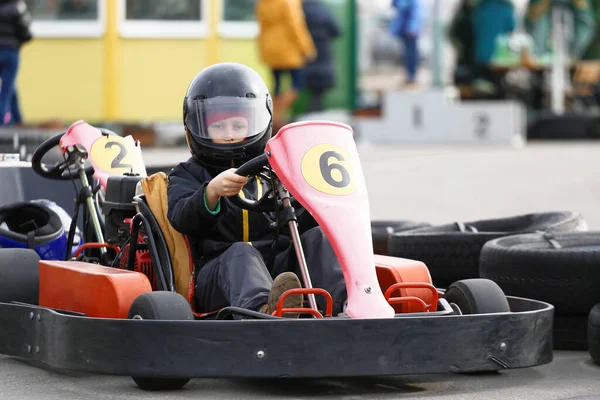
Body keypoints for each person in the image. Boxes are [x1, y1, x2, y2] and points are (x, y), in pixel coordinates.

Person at [167, 62, 347, 318]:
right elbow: (180, 217)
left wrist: (317, 204)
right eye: (218, 127)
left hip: (279, 273)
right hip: (218, 275)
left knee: (319, 238)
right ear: (197, 127)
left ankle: (345, 306)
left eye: (238, 126)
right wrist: (211, 193)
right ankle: (264, 312)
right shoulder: (188, 174)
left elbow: (302, 223)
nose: (229, 135)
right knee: (241, 251)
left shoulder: (277, 170)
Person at [255, 0, 316, 130]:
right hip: (288, 49)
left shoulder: (263, 3)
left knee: (276, 84)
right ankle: (279, 115)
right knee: (298, 83)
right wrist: (307, 48)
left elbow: (261, 27)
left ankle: (272, 115)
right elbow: (296, 26)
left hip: (270, 49)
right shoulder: (288, 2)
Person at [302, 0, 342, 113]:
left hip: (306, 51)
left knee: (309, 78)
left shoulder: (299, 12)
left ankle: (314, 106)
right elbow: (337, 30)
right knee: (321, 81)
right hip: (323, 49)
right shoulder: (323, 12)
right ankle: (317, 106)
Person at [0, 0, 32, 126]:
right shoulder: (17, 7)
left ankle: (17, 119)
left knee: (10, 87)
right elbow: (26, 31)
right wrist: (18, 43)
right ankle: (2, 124)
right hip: (11, 52)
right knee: (6, 90)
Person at [389, 0, 423, 86]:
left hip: (410, 31)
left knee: (411, 55)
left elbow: (413, 11)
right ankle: (409, 76)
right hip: (407, 29)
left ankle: (411, 77)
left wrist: (412, 28)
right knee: (408, 54)